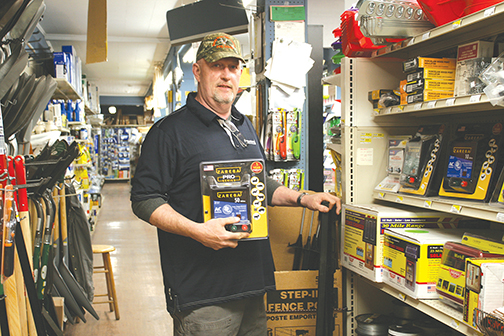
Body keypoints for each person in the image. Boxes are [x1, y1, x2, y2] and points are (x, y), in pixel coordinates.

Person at [130, 32, 341, 336]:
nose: (226, 75)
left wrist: (302, 198)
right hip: (205, 294)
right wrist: (198, 231)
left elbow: (259, 184)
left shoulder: (243, 125)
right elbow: (144, 199)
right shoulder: (169, 132)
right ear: (198, 71)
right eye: (217, 66)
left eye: (233, 67)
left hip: (253, 284)